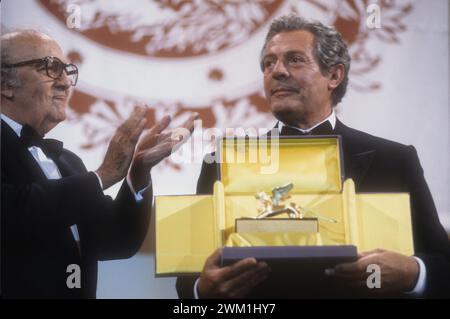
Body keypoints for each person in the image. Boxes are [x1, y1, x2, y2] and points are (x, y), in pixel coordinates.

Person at [176, 15, 450, 298]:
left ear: (334, 76)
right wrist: (202, 290)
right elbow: (189, 282)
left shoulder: (393, 160)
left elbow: (443, 267)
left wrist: (413, 273)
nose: (277, 71)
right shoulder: (224, 163)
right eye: (268, 63)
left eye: (294, 59)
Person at [1, 30, 198, 298]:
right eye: (50, 67)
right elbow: (14, 212)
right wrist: (103, 175)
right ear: (5, 83)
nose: (66, 83)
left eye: (67, 71)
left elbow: (116, 240)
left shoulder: (68, 163)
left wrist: (138, 174)